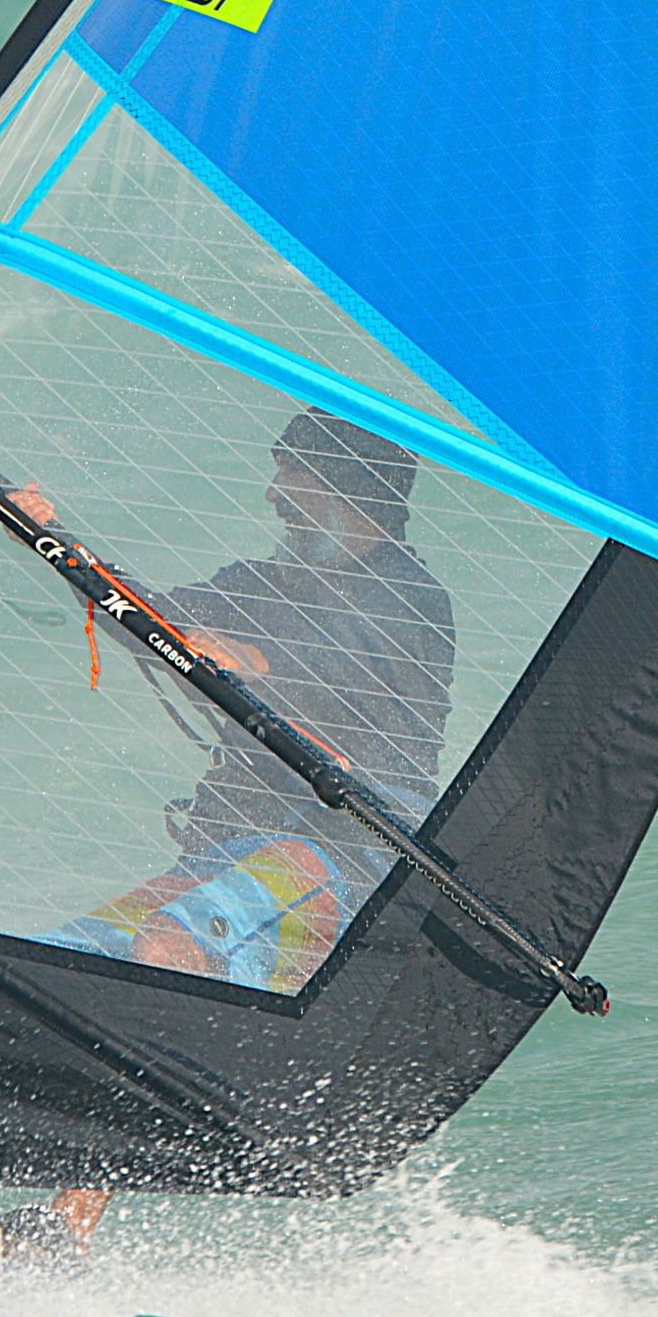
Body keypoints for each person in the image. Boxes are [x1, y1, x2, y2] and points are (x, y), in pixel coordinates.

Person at [36, 410, 456, 993]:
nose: (273, 494)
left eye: (292, 475)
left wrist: (260, 661)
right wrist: (56, 540)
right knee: (64, 955)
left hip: (339, 855)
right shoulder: (263, 583)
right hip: (229, 844)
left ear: (345, 485)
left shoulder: (410, 597)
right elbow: (152, 619)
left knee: (165, 946)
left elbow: (348, 661)